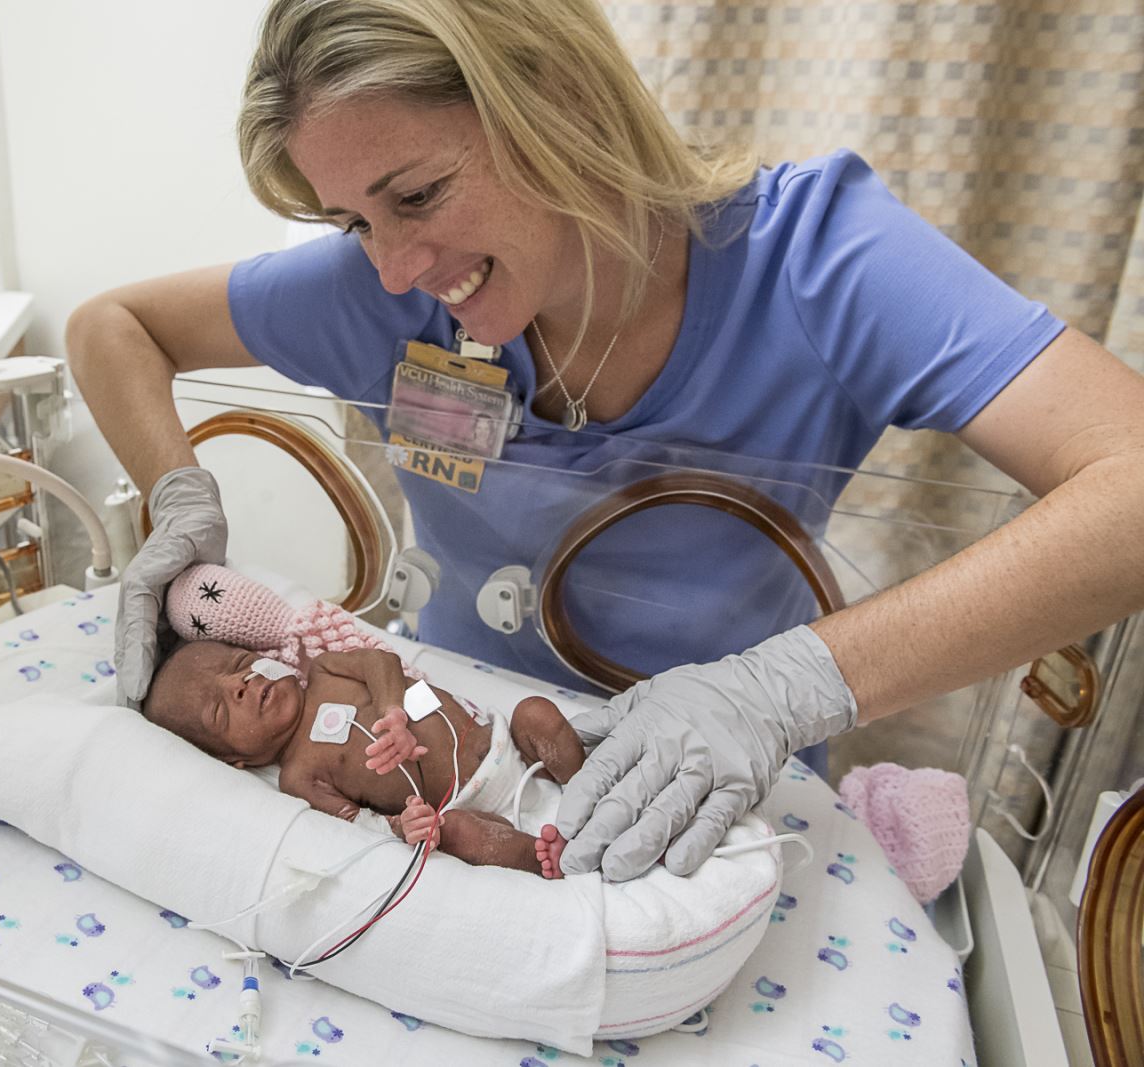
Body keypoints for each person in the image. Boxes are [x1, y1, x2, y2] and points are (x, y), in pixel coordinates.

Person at [67, 0, 1144, 882]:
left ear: (560, 99)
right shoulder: (385, 290)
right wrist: (182, 505)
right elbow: (114, 325)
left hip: (711, 776)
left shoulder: (815, 258)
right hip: (446, 734)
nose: (393, 266)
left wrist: (780, 688)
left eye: (417, 195)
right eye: (354, 221)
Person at [142, 638, 586, 878]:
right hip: (467, 806)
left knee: (538, 714)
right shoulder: (298, 777)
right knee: (459, 834)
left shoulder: (325, 669)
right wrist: (401, 825)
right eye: (221, 710)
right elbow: (356, 824)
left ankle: (591, 794)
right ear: (233, 759)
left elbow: (382, 661)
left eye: (241, 662)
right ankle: (546, 859)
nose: (241, 683)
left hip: (508, 747)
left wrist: (393, 709)